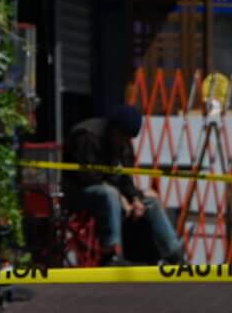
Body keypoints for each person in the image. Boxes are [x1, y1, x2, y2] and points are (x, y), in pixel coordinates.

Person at [63, 104, 186, 265]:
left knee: (151, 201)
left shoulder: (124, 145)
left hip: (113, 193)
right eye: (122, 136)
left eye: (128, 138)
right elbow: (89, 177)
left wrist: (134, 199)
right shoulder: (88, 136)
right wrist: (122, 198)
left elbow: (125, 178)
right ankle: (112, 253)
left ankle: (174, 254)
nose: (124, 141)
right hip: (79, 192)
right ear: (114, 128)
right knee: (110, 194)